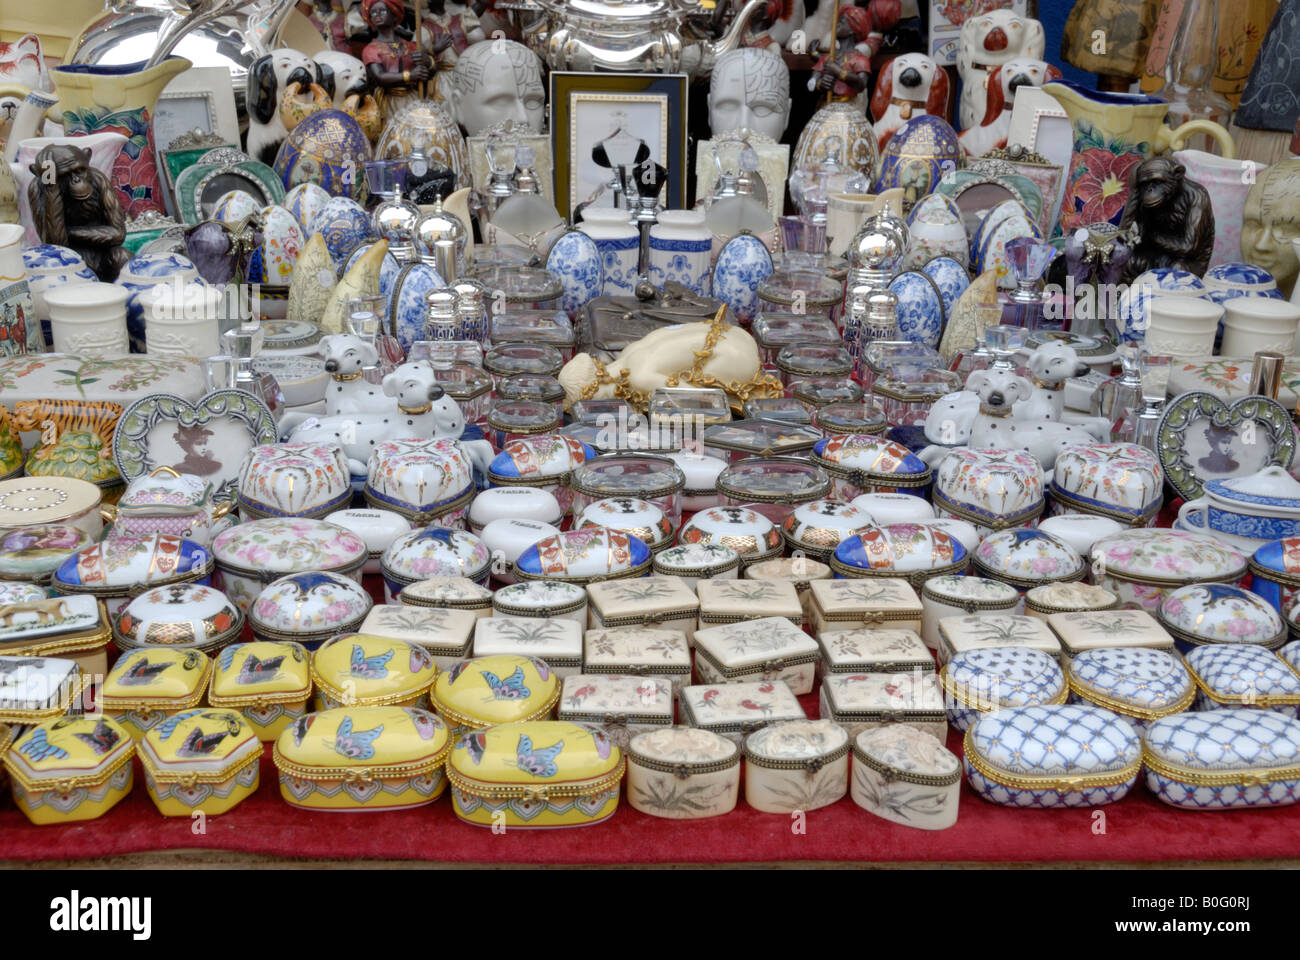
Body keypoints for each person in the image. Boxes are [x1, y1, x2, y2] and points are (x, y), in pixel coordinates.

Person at [360, 0, 430, 119]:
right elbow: (380, 77)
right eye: (373, 13)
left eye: (382, 11)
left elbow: (430, 72)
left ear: (394, 15)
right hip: (389, 103)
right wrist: (410, 75)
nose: (377, 15)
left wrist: (427, 61)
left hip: (413, 99)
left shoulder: (413, 46)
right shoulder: (370, 49)